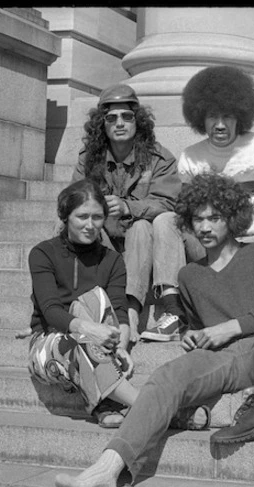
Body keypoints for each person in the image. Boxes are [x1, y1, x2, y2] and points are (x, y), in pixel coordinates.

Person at [54, 174, 254, 487]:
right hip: (223, 361)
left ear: (233, 218)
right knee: (166, 375)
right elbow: (201, 331)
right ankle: (108, 468)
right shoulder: (188, 276)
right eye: (198, 220)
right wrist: (194, 338)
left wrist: (229, 327)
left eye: (215, 218)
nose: (205, 228)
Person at [140, 65, 254, 342]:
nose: (220, 124)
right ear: (200, 117)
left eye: (228, 116)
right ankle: (173, 310)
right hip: (210, 244)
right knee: (166, 221)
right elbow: (187, 211)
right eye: (213, 116)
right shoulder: (190, 157)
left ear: (241, 116)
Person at [72, 83, 186, 343]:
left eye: (127, 116)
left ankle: (132, 314)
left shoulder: (159, 158)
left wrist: (128, 207)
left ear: (138, 121)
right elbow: (73, 201)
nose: (120, 123)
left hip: (143, 245)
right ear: (102, 124)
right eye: (111, 118)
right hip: (105, 241)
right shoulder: (88, 159)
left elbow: (170, 203)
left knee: (142, 226)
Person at [25, 179, 139, 428]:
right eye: (82, 216)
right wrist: (90, 330)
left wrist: (120, 346)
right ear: (65, 217)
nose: (90, 225)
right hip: (49, 345)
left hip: (98, 345)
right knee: (80, 343)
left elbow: (118, 309)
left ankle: (105, 405)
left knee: (96, 299)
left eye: (97, 217)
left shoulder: (112, 260)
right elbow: (51, 310)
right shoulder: (43, 253)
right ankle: (147, 405)